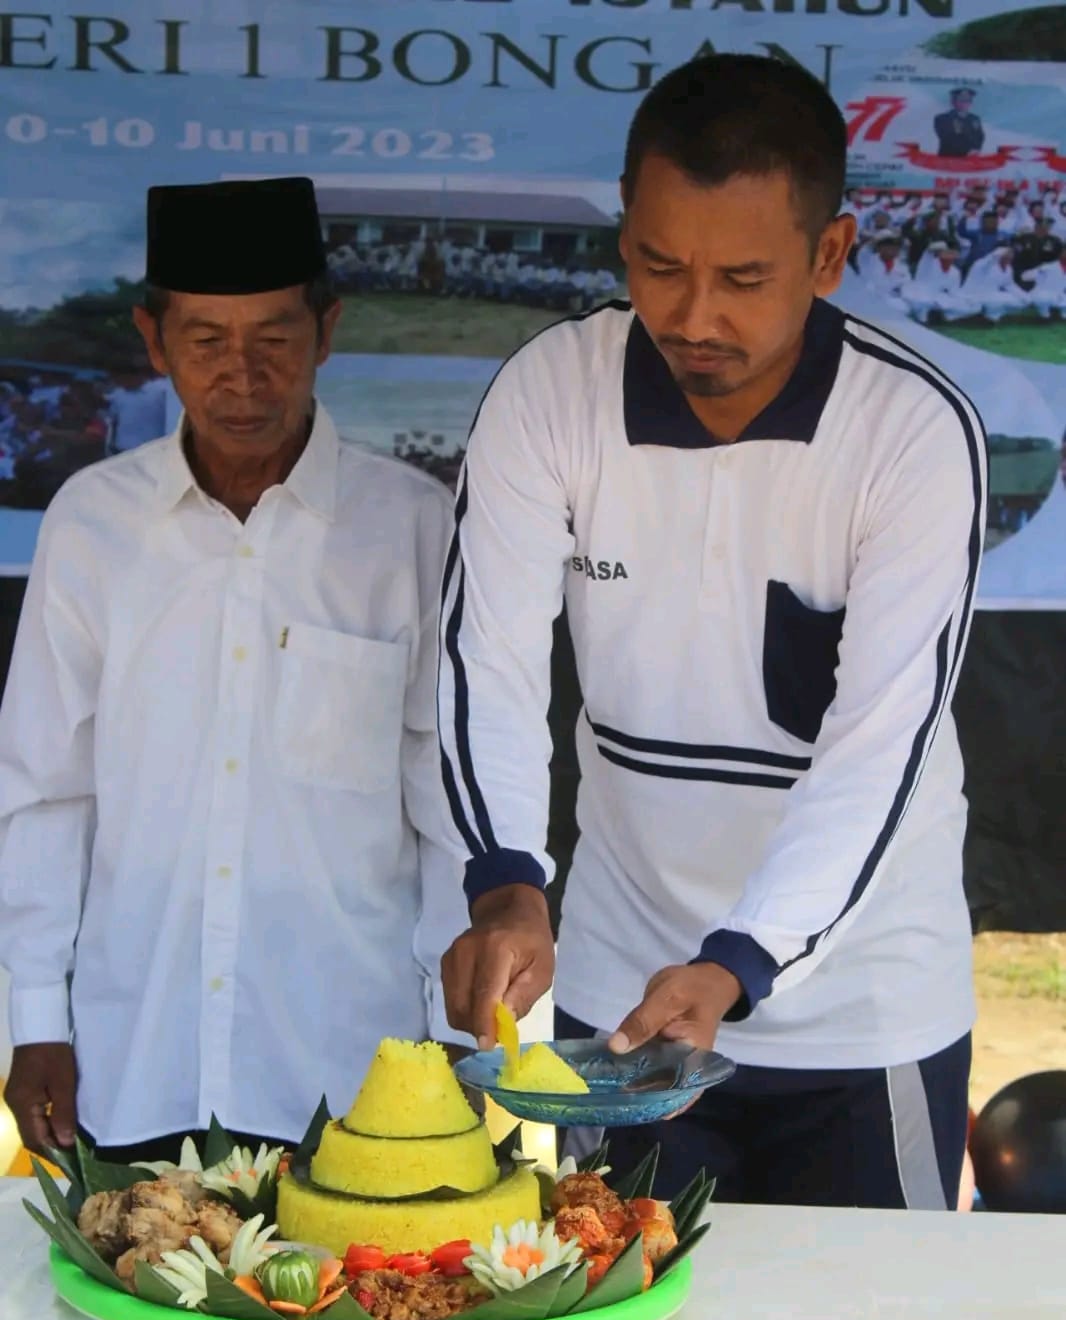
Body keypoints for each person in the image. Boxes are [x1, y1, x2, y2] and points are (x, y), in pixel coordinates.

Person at [437, 54, 986, 1210]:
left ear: (828, 256)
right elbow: (486, 661)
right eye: (656, 265)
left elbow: (880, 746)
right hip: (627, 1006)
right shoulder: (549, 393)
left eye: (742, 276)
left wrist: (741, 963)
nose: (692, 316)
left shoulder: (910, 433)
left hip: (861, 1008)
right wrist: (505, 883)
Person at [0, 177, 464, 1163]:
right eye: (206, 340)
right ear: (155, 340)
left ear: (327, 331)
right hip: (132, 1062)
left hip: (351, 1073)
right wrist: (36, 1019)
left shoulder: (410, 529)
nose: (242, 378)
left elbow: (447, 806)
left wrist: (456, 1044)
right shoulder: (93, 524)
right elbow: (43, 789)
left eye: (274, 338)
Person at [934, 89, 984, 159]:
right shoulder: (942, 118)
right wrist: (967, 150)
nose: (965, 103)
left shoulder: (975, 119)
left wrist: (975, 149)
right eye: (961, 99)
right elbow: (948, 138)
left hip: (971, 161)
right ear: (953, 101)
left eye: (968, 100)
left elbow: (980, 136)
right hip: (947, 160)